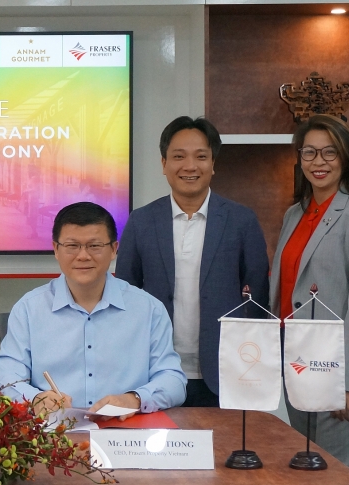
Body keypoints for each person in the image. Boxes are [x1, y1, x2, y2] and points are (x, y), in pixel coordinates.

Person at [115, 116, 269, 407]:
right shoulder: (141, 221)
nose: (190, 166)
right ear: (164, 164)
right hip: (156, 371)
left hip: (226, 372)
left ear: (213, 163)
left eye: (200, 156)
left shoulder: (241, 220)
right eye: (178, 156)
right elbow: (126, 295)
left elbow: (257, 299)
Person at [270, 114, 349, 477]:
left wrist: (343, 383)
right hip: (298, 363)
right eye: (309, 152)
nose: (318, 161)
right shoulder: (294, 214)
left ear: (347, 157)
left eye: (329, 152)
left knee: (339, 479)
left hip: (336, 370)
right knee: (306, 475)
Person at [0, 202, 186, 417]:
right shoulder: (29, 309)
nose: (83, 256)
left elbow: (174, 381)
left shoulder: (149, 309)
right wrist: (36, 399)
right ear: (56, 249)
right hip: (52, 431)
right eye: (72, 246)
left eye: (94, 246)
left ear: (114, 249)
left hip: (124, 429)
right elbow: (4, 380)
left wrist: (135, 399)